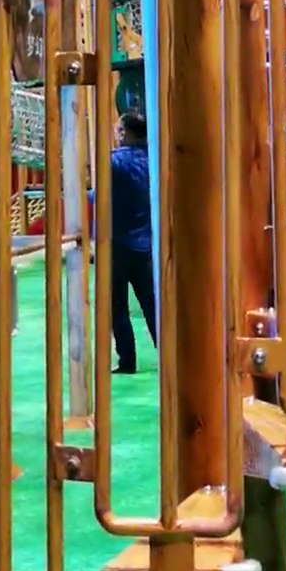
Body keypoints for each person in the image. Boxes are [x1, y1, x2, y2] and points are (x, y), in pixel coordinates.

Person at [109, 109, 157, 375]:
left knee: (118, 307)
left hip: (116, 244)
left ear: (125, 133)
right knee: (152, 304)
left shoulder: (114, 161)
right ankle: (167, 353)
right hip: (146, 244)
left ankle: (127, 360)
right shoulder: (154, 160)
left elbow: (99, 195)